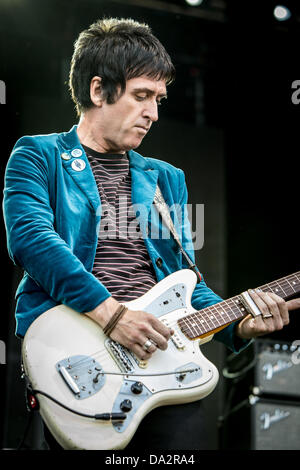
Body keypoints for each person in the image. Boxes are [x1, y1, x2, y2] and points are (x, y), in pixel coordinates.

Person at [3, 17, 299, 451]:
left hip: (164, 361)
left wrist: (241, 323)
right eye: (142, 96)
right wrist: (113, 315)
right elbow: (31, 238)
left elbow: (186, 280)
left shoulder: (166, 179)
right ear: (98, 90)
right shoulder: (38, 155)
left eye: (159, 99)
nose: (154, 114)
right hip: (82, 354)